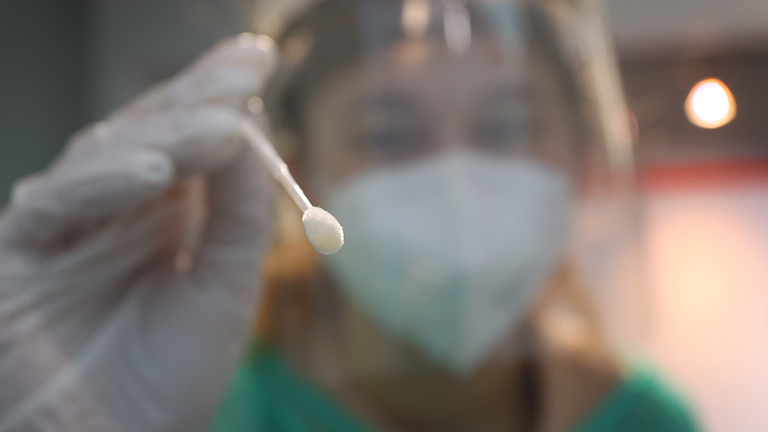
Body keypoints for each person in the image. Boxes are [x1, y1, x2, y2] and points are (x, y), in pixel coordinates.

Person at [0, 0, 699, 431]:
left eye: (507, 129)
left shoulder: (649, 423)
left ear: (579, 159)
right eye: (390, 135)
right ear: (303, 172)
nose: (457, 182)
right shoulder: (204, 410)